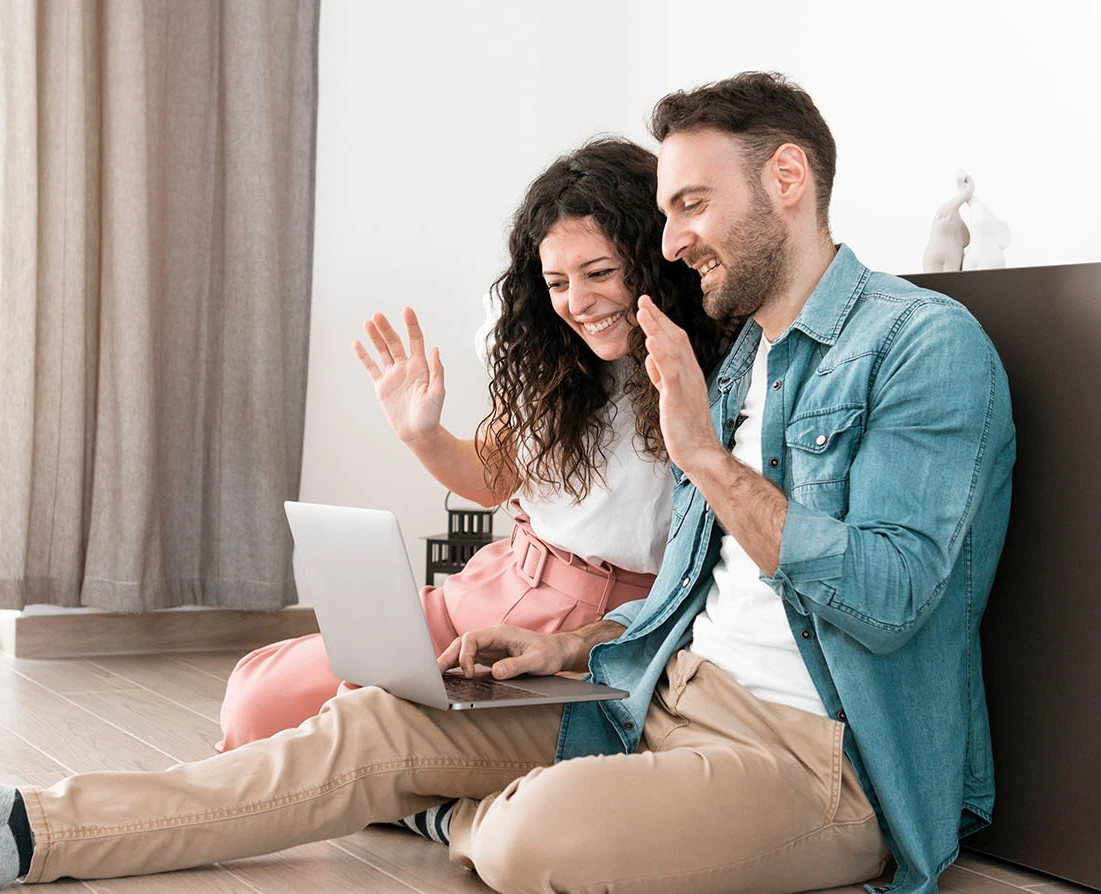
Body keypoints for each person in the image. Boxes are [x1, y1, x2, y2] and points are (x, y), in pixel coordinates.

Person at [0, 71, 1014, 894]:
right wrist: (567, 650)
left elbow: (891, 600)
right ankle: (22, 830)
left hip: (818, 758)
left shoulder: (924, 347)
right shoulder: (747, 358)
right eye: (664, 212)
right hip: (652, 687)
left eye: (690, 207)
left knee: (535, 840)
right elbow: (697, 600)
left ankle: (447, 812)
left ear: (789, 180)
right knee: (368, 725)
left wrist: (705, 456)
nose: (671, 239)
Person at [216, 137, 734, 756]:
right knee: (255, 698)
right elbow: (491, 479)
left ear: (655, 261)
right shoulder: (558, 361)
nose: (577, 304)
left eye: (599, 273)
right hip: (500, 580)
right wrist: (422, 435)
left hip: (599, 624)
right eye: (557, 282)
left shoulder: (715, 372)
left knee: (367, 728)